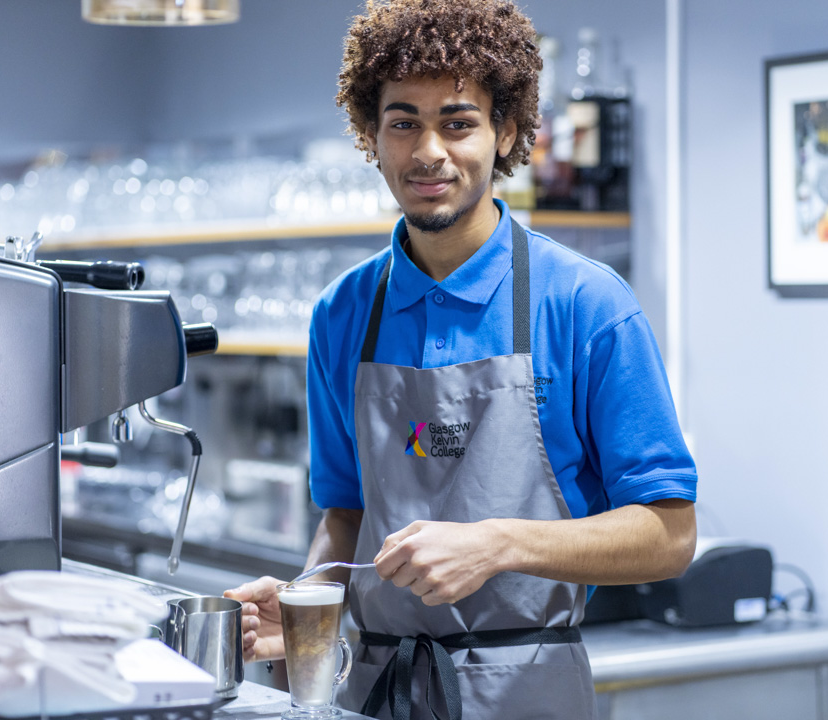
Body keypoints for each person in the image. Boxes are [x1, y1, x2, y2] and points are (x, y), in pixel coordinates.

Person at [225, 1, 698, 717]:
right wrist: (302, 604)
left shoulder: (586, 304)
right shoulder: (342, 315)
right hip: (374, 691)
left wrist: (499, 543)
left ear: (505, 131)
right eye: (403, 121)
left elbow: (670, 534)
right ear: (372, 135)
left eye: (457, 121)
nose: (427, 152)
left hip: (527, 693)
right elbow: (347, 516)